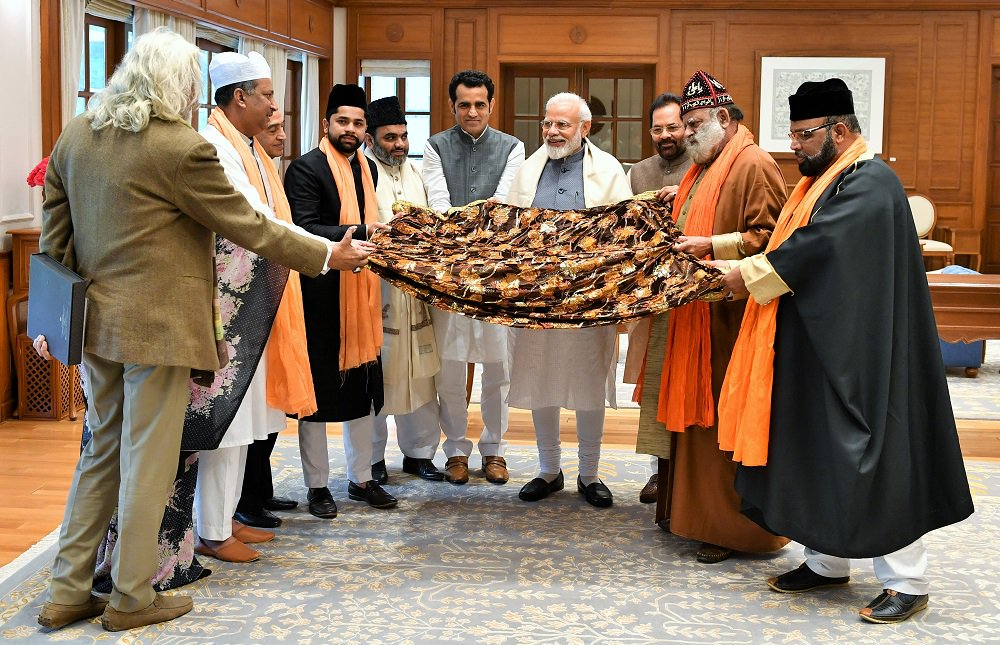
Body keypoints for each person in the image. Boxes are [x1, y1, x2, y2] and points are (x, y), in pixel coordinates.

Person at [35, 28, 369, 633]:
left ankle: (67, 593)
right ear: (175, 84)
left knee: (98, 455)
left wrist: (55, 314)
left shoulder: (77, 135)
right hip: (158, 332)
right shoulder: (180, 148)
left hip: (94, 328)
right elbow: (251, 227)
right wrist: (328, 256)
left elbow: (55, 234)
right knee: (148, 464)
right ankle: (132, 599)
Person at [715, 78, 974, 624]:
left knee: (873, 455)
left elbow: (821, 244)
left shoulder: (871, 181)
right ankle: (827, 561)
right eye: (792, 136)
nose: (796, 147)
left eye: (805, 136)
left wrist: (748, 274)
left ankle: (908, 579)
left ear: (840, 130)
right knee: (816, 452)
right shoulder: (822, 181)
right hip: (819, 343)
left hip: (866, 355)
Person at [625, 70, 786, 563]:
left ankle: (734, 530)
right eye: (684, 125)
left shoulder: (752, 165)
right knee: (694, 428)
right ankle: (690, 516)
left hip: (731, 322)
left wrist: (710, 246)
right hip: (694, 316)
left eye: (694, 124)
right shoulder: (704, 167)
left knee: (722, 429)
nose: (687, 133)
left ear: (722, 118)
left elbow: (775, 240)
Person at [194, 51, 322, 561]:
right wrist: (329, 254)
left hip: (255, 300)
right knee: (226, 422)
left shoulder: (249, 147)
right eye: (267, 95)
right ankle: (212, 529)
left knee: (247, 421)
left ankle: (224, 518)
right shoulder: (215, 148)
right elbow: (253, 221)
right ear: (240, 97)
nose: (275, 106)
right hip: (229, 309)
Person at [504, 92, 631, 507]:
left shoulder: (610, 171)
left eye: (562, 125)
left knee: (589, 381)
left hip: (589, 301)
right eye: (548, 124)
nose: (552, 132)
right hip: (538, 299)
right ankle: (548, 470)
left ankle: (590, 474)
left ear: (584, 128)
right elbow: (507, 228)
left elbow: (623, 236)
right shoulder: (527, 170)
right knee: (541, 380)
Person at [286, 84, 395, 516]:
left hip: (362, 296)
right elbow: (303, 227)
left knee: (362, 390)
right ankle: (317, 487)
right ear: (326, 123)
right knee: (317, 396)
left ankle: (361, 479)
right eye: (343, 122)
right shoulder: (305, 168)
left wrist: (377, 232)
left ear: (366, 129)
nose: (350, 130)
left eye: (358, 123)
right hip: (320, 294)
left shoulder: (366, 168)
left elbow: (376, 220)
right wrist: (368, 232)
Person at [421, 70, 525, 485]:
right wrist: (467, 229)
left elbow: (503, 204)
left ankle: (495, 450)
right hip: (449, 273)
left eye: (480, 104)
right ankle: (456, 450)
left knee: (499, 367)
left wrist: (473, 228)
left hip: (499, 273)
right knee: (450, 364)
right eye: (464, 104)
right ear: (453, 106)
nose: (472, 112)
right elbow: (439, 205)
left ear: (491, 105)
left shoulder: (513, 148)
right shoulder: (434, 147)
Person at [364, 96, 445, 483]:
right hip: (377, 289)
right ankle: (373, 458)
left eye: (403, 136)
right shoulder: (362, 171)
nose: (399, 144)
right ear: (371, 138)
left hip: (415, 290)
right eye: (390, 137)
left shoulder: (415, 172)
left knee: (422, 370)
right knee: (380, 372)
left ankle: (419, 453)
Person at [233, 110, 303, 529]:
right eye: (272, 129)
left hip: (279, 295)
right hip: (253, 300)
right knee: (254, 409)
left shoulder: (271, 169)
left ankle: (260, 493)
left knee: (270, 407)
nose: (280, 135)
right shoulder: (240, 162)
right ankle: (246, 502)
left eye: (281, 128)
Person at [623, 92, 693, 504]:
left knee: (681, 381)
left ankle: (681, 470)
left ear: (687, 127)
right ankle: (655, 471)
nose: (665, 135)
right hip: (649, 294)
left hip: (689, 294)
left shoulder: (702, 168)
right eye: (658, 128)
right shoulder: (640, 172)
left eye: (673, 127)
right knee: (650, 385)